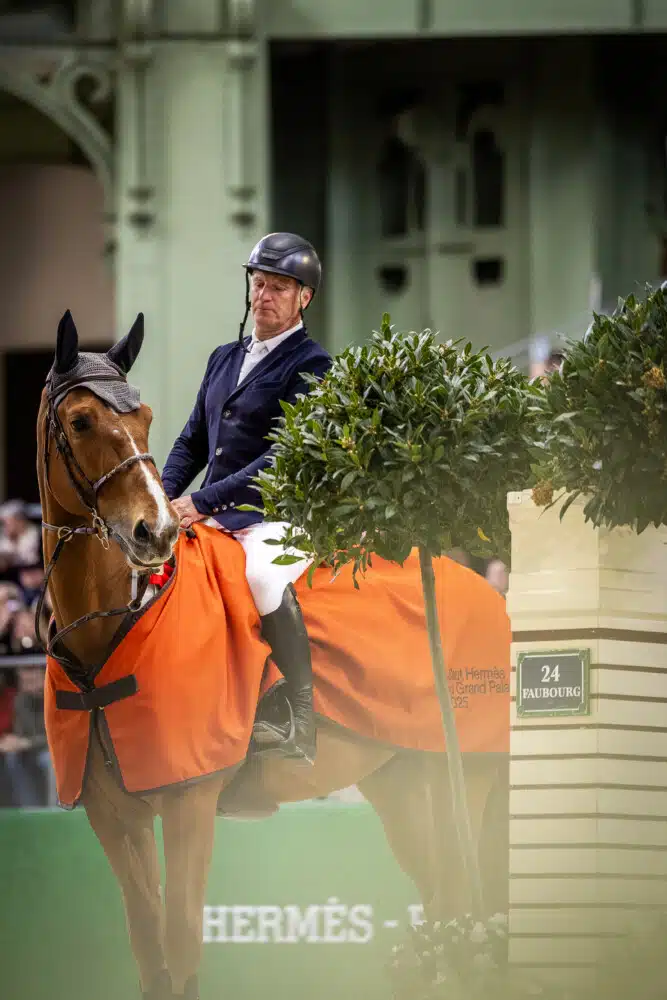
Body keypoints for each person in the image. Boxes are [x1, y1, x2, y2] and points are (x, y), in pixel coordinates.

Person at [162, 233, 332, 765]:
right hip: (215, 512)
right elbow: (193, 438)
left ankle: (301, 722)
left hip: (277, 515)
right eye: (259, 284)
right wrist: (164, 496)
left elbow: (283, 456)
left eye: (279, 288)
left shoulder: (313, 364)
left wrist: (202, 501)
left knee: (262, 577)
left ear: (304, 297)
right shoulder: (223, 357)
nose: (264, 296)